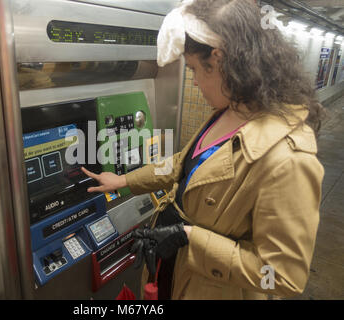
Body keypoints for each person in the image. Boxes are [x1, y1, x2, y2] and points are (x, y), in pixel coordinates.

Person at [81, 0, 325, 300]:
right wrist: (124, 181)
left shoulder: (289, 159)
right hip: (176, 274)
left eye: (196, 69)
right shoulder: (230, 110)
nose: (194, 81)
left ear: (221, 61)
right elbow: (182, 164)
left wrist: (189, 239)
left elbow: (284, 275)